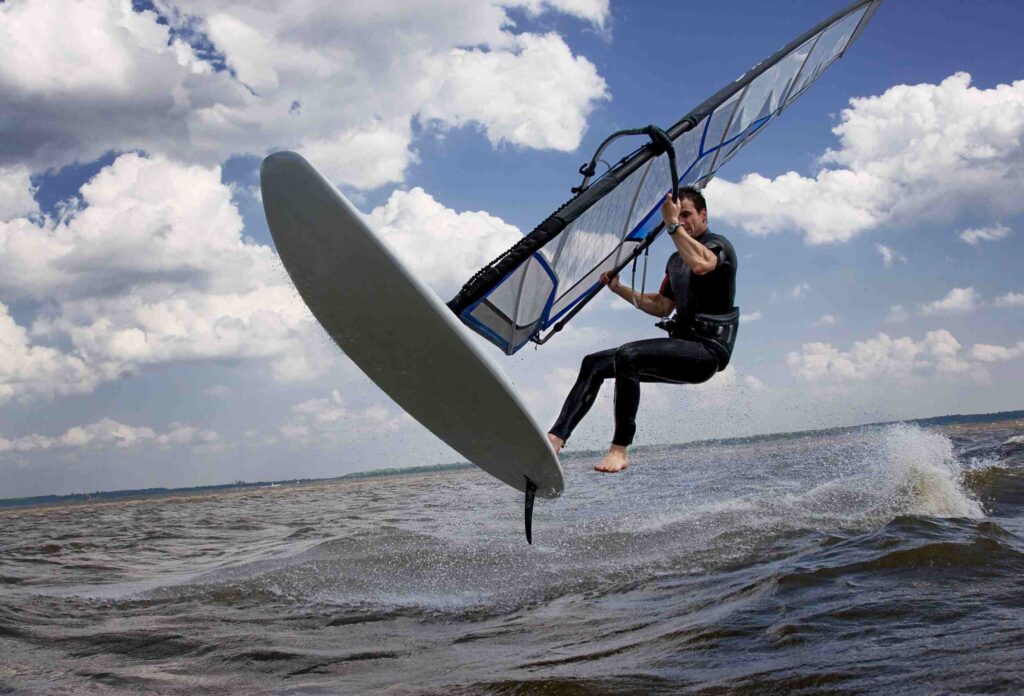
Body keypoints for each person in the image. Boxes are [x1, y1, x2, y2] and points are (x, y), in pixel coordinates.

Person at [546, 186, 739, 473]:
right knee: (595, 363)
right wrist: (619, 289)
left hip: (707, 352)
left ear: (703, 214)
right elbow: (661, 306)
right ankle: (554, 441)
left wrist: (672, 225)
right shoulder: (675, 261)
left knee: (629, 355)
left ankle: (619, 450)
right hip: (683, 347)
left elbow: (701, 265)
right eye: (676, 216)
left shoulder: (717, 245)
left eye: (686, 215)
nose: (682, 221)